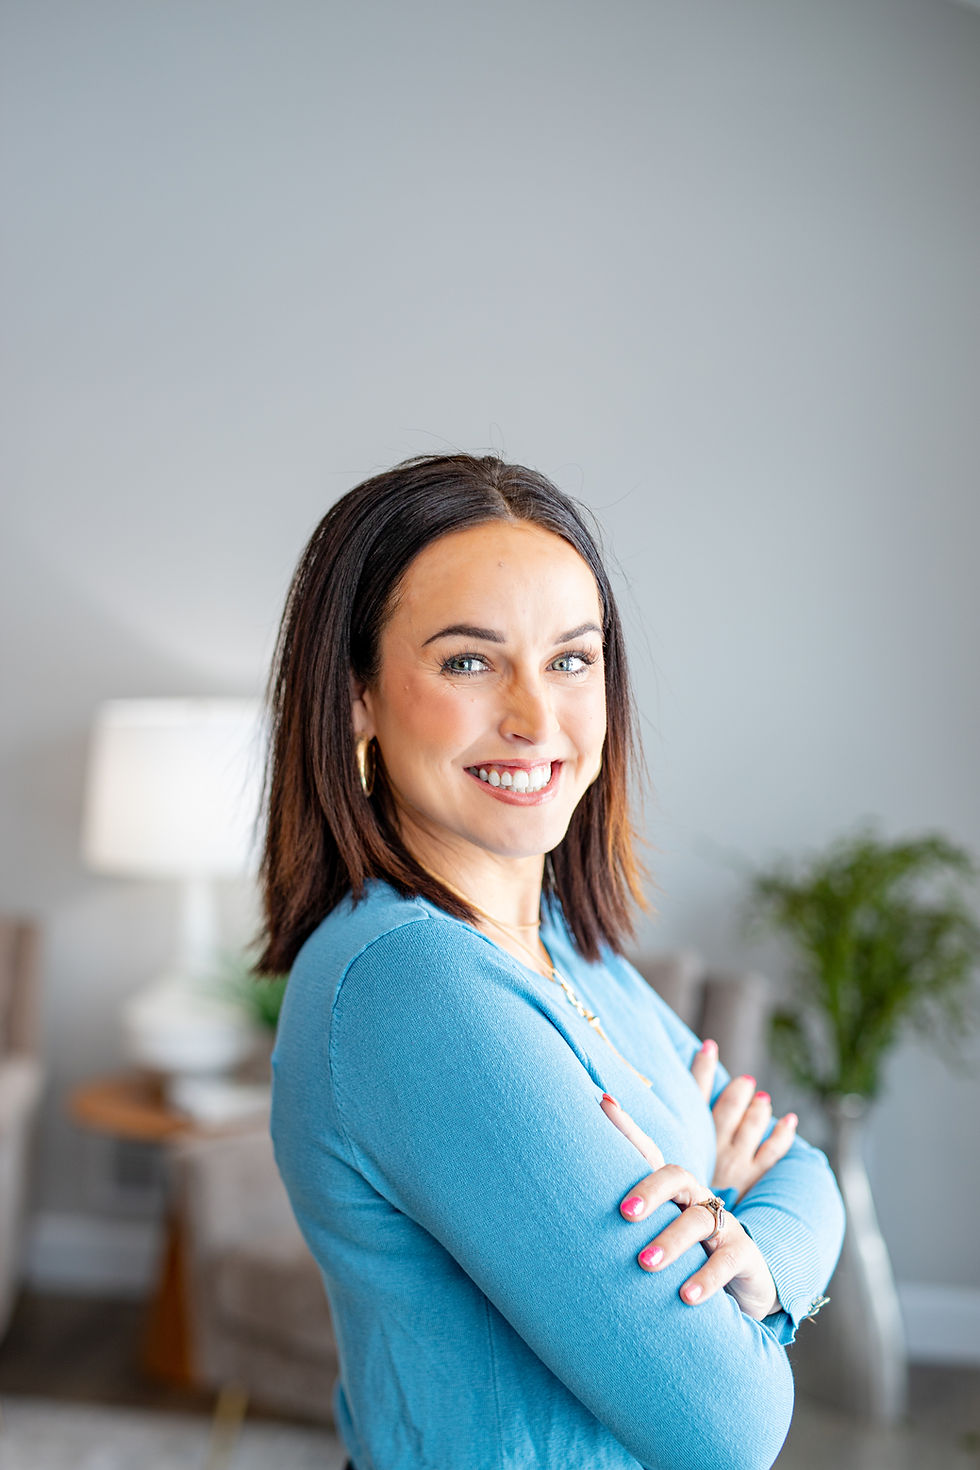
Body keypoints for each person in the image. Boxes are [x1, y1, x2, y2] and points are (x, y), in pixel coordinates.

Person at [260, 454, 844, 1470]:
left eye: (571, 660)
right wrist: (729, 1202)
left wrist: (754, 1255)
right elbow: (730, 1422)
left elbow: (799, 1163)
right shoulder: (411, 985)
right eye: (468, 662)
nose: (536, 717)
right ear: (357, 697)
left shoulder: (564, 941)